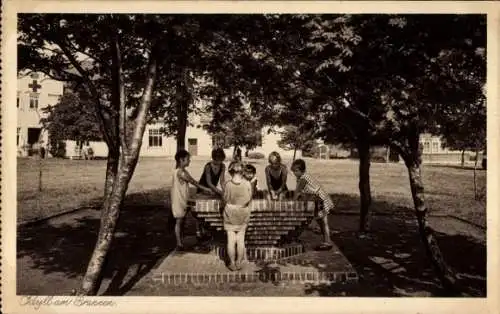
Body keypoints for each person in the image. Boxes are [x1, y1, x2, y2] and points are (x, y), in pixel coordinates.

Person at [170, 149, 212, 250]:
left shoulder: (182, 171)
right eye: (188, 159)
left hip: (184, 199)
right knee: (179, 221)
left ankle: (199, 233)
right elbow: (194, 182)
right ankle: (179, 244)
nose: (189, 161)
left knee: (196, 215)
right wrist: (207, 189)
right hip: (179, 200)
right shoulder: (180, 172)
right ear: (181, 160)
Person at [291, 159, 334, 251]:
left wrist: (292, 204)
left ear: (302, 170)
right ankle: (327, 240)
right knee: (322, 222)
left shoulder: (303, 178)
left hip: (320, 199)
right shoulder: (304, 176)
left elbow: (297, 192)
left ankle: (327, 242)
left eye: (296, 171)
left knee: (322, 222)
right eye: (293, 171)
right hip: (320, 198)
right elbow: (304, 192)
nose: (294, 173)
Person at [222, 161, 253, 271]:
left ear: (231, 171)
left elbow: (225, 199)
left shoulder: (228, 184)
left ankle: (232, 263)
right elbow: (249, 199)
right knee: (240, 240)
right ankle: (239, 262)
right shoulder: (247, 184)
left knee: (231, 240)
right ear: (243, 172)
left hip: (230, 212)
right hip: (243, 212)